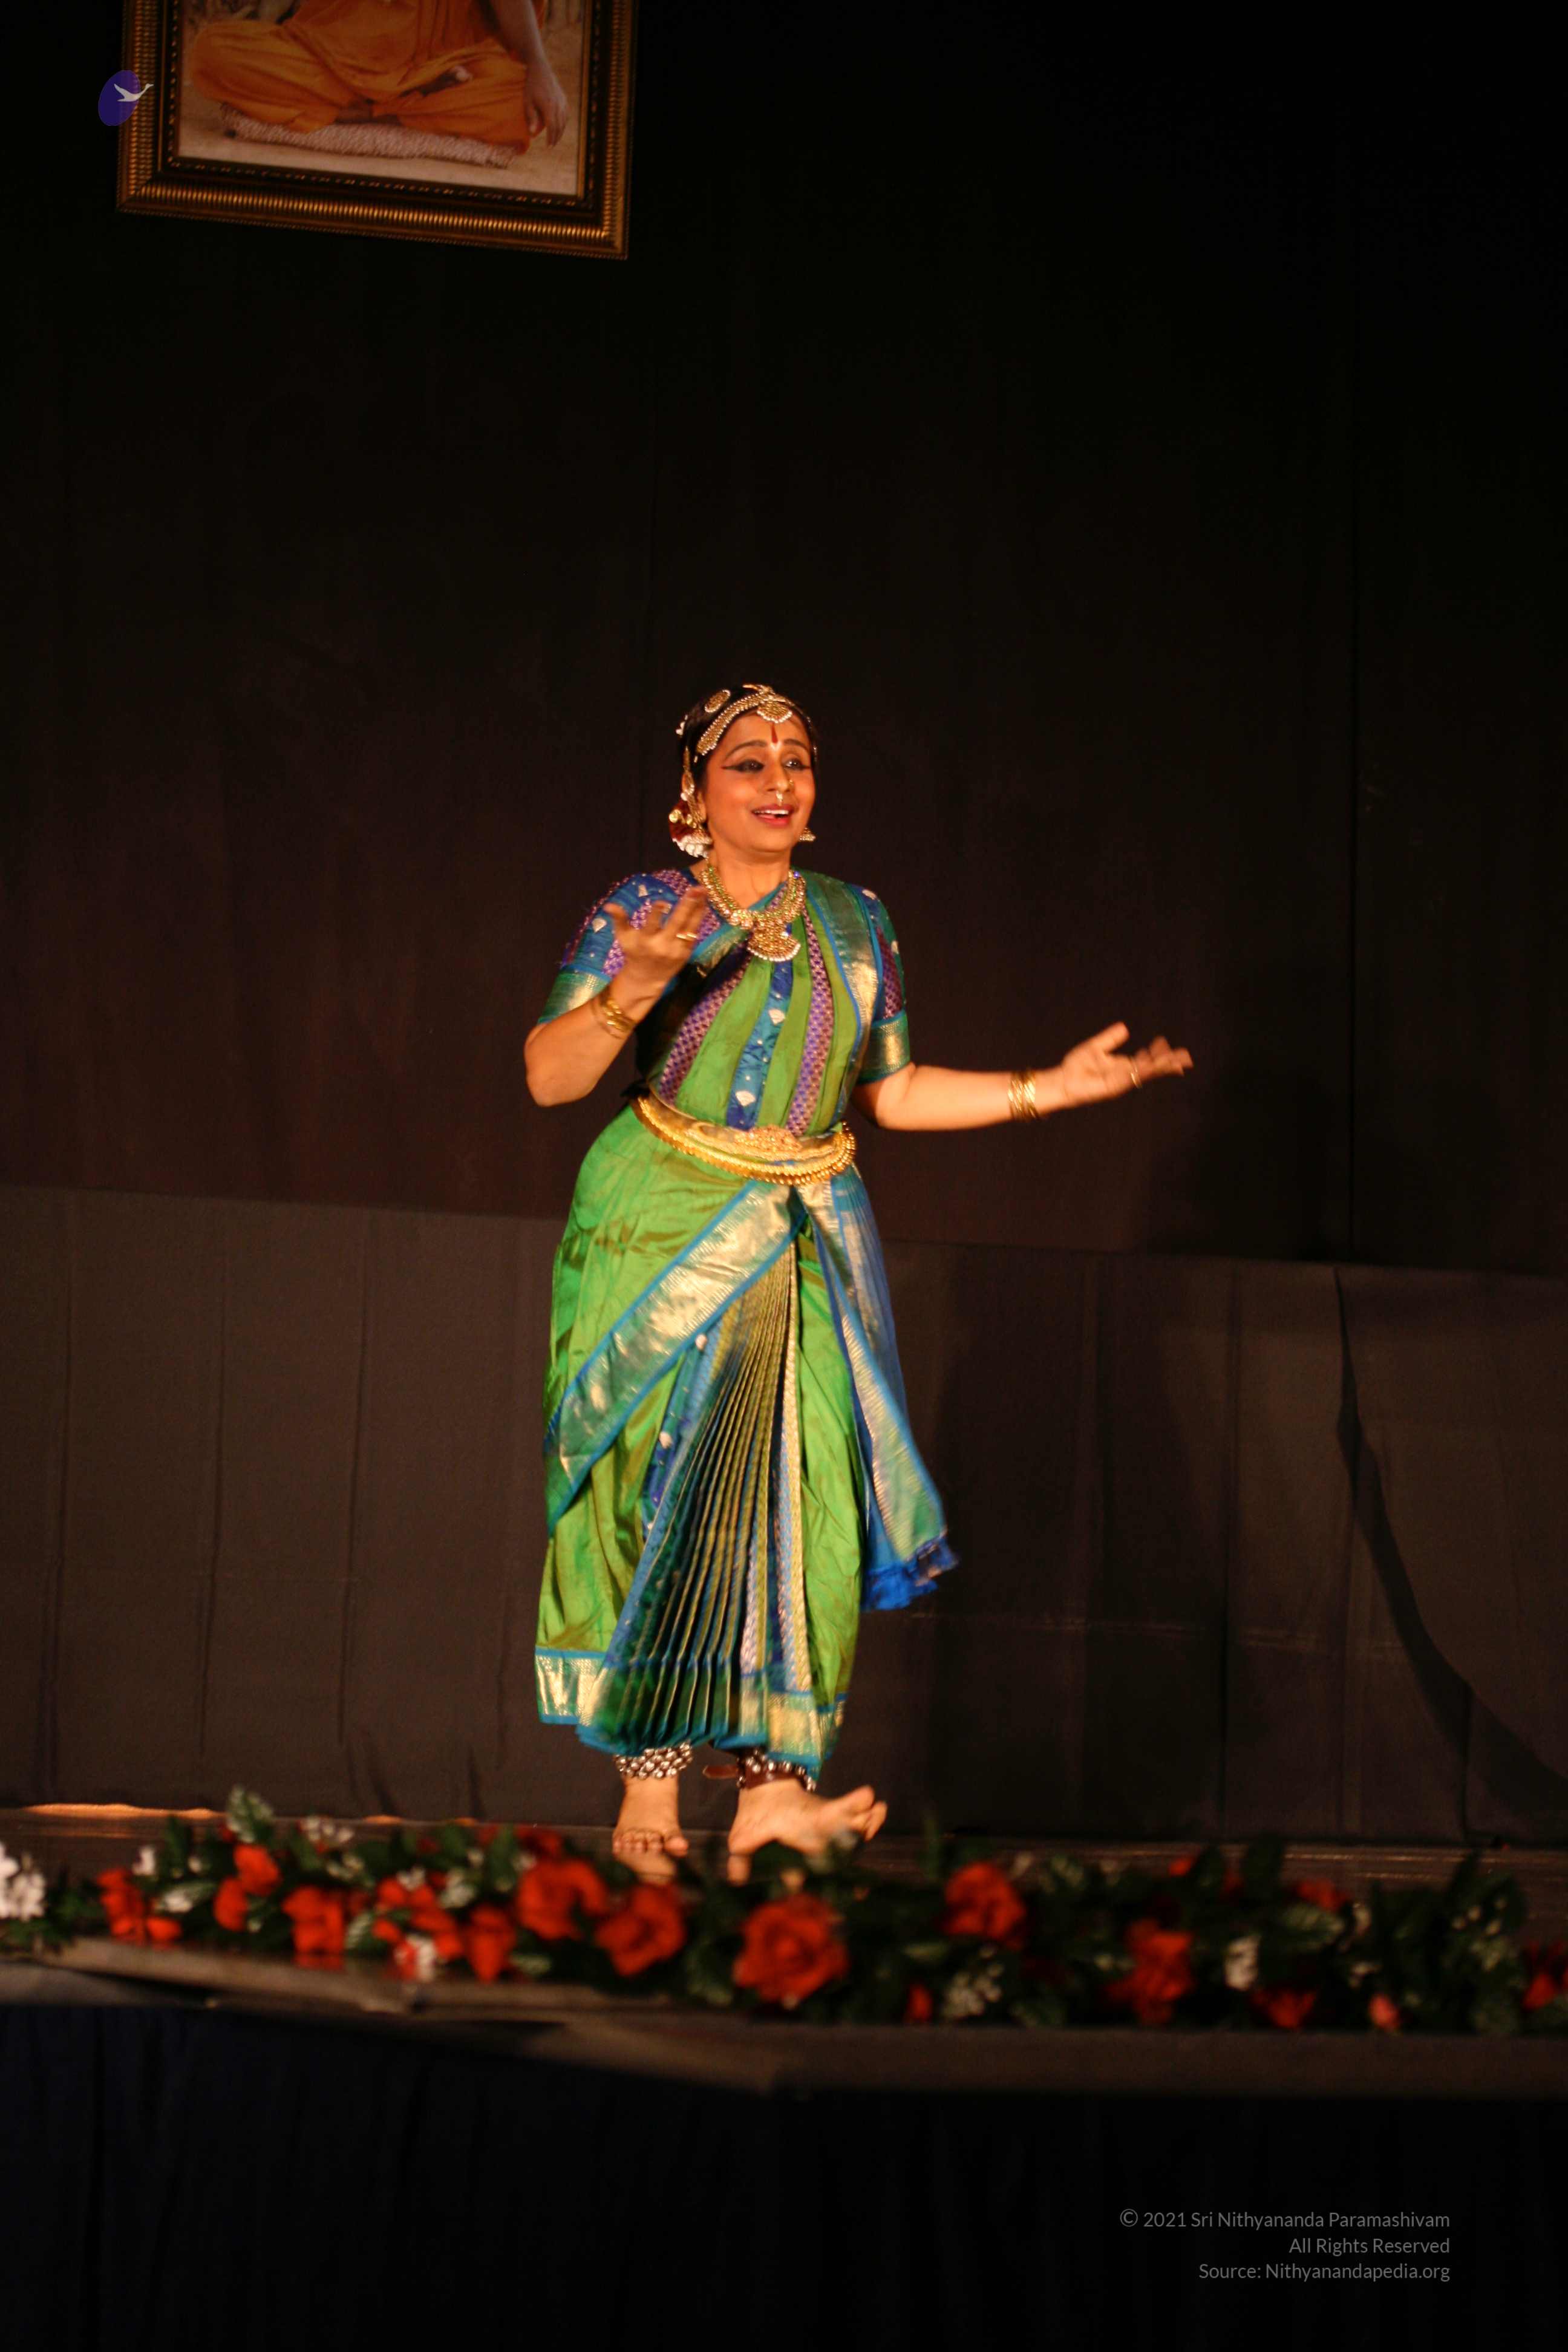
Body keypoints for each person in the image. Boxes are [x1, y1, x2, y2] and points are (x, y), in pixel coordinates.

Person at [525, 684, 1192, 1875]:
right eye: (747, 761)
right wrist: (630, 990)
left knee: (802, 1495)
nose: (778, 779)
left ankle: (774, 1794)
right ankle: (649, 1792)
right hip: (656, 1224)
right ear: (695, 792)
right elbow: (549, 1078)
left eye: (797, 759)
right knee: (655, 1482)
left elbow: (894, 1092)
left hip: (809, 1228)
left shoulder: (854, 917)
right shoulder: (644, 910)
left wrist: (1048, 1089)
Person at [188, 0, 568, 151]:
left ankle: (376, 109)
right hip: (338, 54)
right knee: (213, 51)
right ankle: (388, 108)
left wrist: (539, 65)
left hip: (445, 63)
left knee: (522, 104)